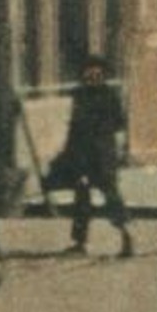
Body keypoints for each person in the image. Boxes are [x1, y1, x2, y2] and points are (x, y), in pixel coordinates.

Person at [52, 57, 133, 259]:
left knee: (111, 196)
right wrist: (69, 152)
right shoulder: (79, 95)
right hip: (82, 153)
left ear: (103, 76)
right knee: (81, 198)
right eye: (88, 75)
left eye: (97, 75)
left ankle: (125, 236)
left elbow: (119, 124)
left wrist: (118, 149)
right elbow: (74, 126)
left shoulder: (109, 96)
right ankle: (79, 242)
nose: (92, 79)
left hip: (103, 153)